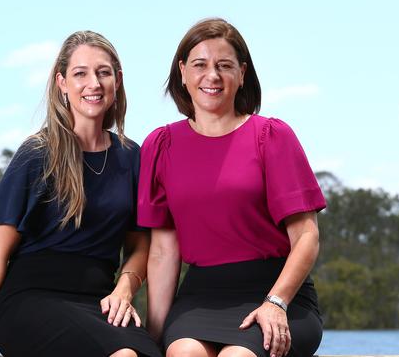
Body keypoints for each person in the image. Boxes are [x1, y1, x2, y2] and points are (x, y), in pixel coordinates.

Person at [0, 31, 161, 357]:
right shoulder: (37, 153)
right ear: (62, 82)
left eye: (103, 72)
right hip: (31, 299)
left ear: (117, 81)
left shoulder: (132, 157)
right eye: (80, 73)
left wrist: (124, 289)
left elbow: (139, 245)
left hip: (99, 302)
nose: (93, 83)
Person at [138, 18, 326, 357]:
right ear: (182, 72)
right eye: (200, 65)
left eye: (224, 66)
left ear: (241, 75)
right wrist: (154, 333)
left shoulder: (271, 136)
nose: (212, 75)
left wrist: (276, 302)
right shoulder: (161, 145)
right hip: (201, 296)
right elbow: (164, 252)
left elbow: (307, 237)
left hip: (277, 292)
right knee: (183, 353)